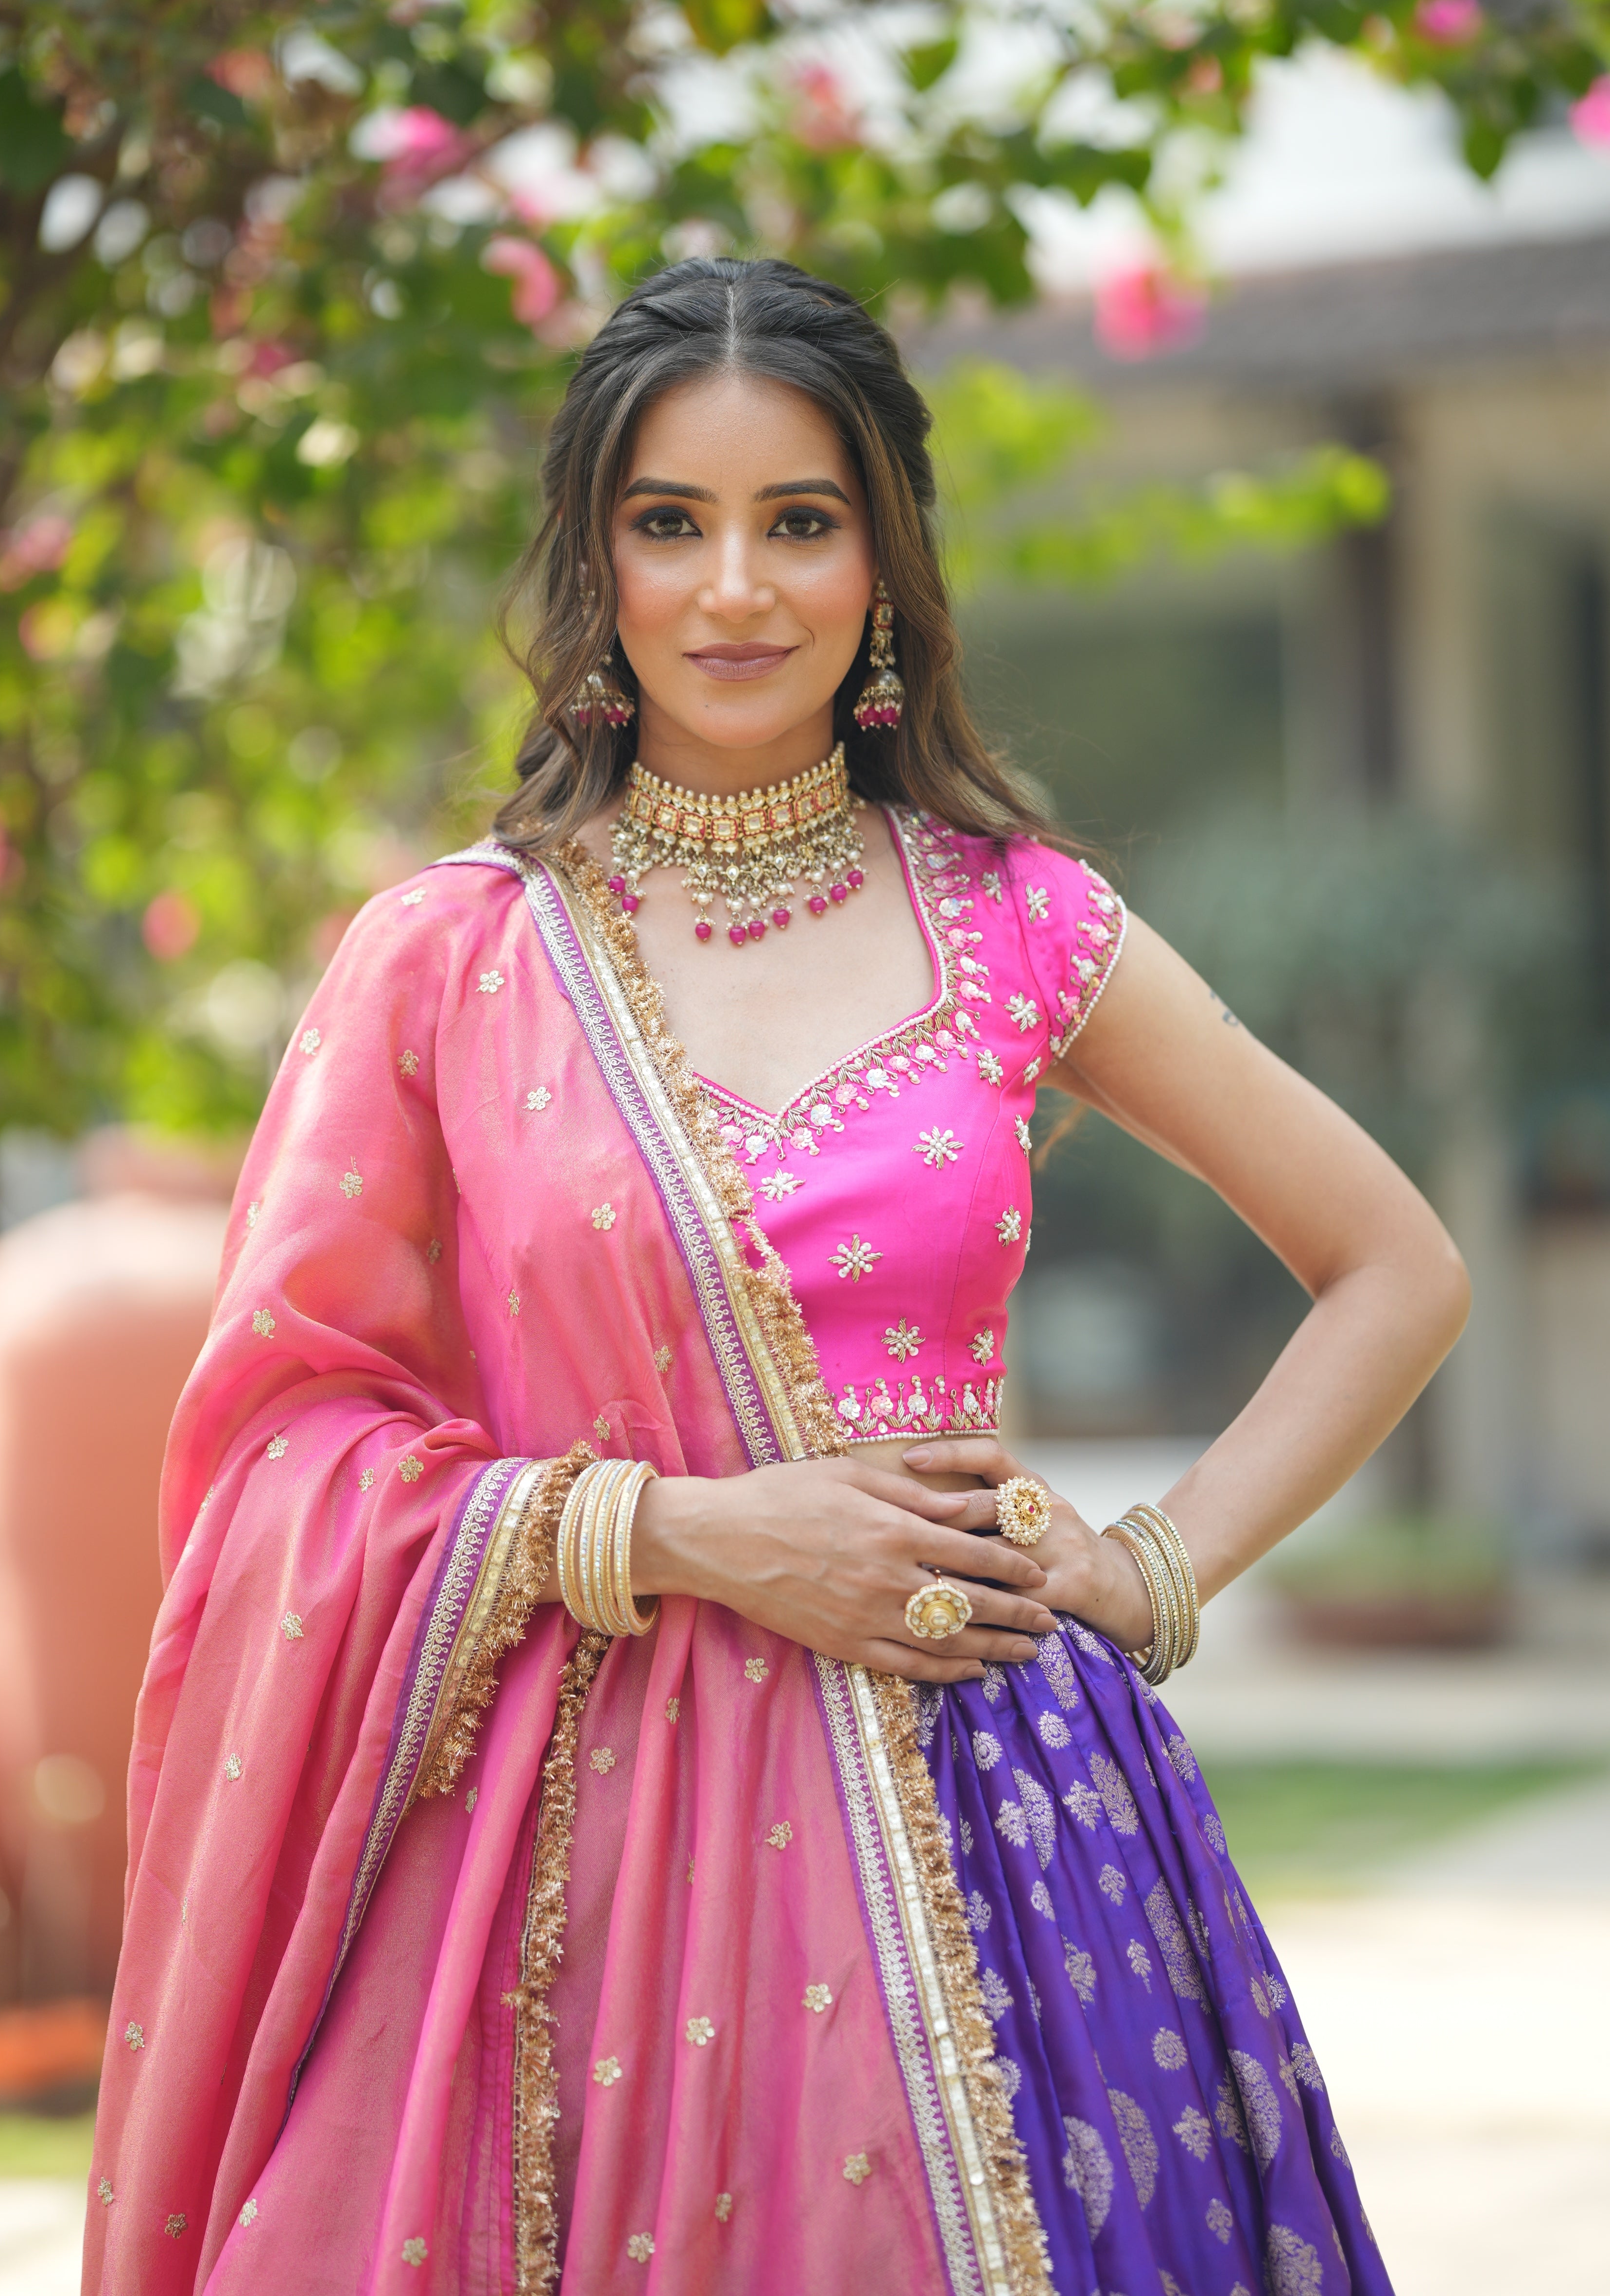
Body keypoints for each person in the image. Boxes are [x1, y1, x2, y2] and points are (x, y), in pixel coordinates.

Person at [87, 258, 1469, 2296]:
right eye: (673, 522)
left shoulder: (1020, 922)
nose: (736, 588)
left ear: (886, 566)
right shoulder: (455, 960)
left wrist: (1153, 1567)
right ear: (599, 565)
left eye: (798, 522)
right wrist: (688, 1530)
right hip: (576, 1860)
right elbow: (285, 1448)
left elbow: (1394, 1265)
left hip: (1010, 1828)